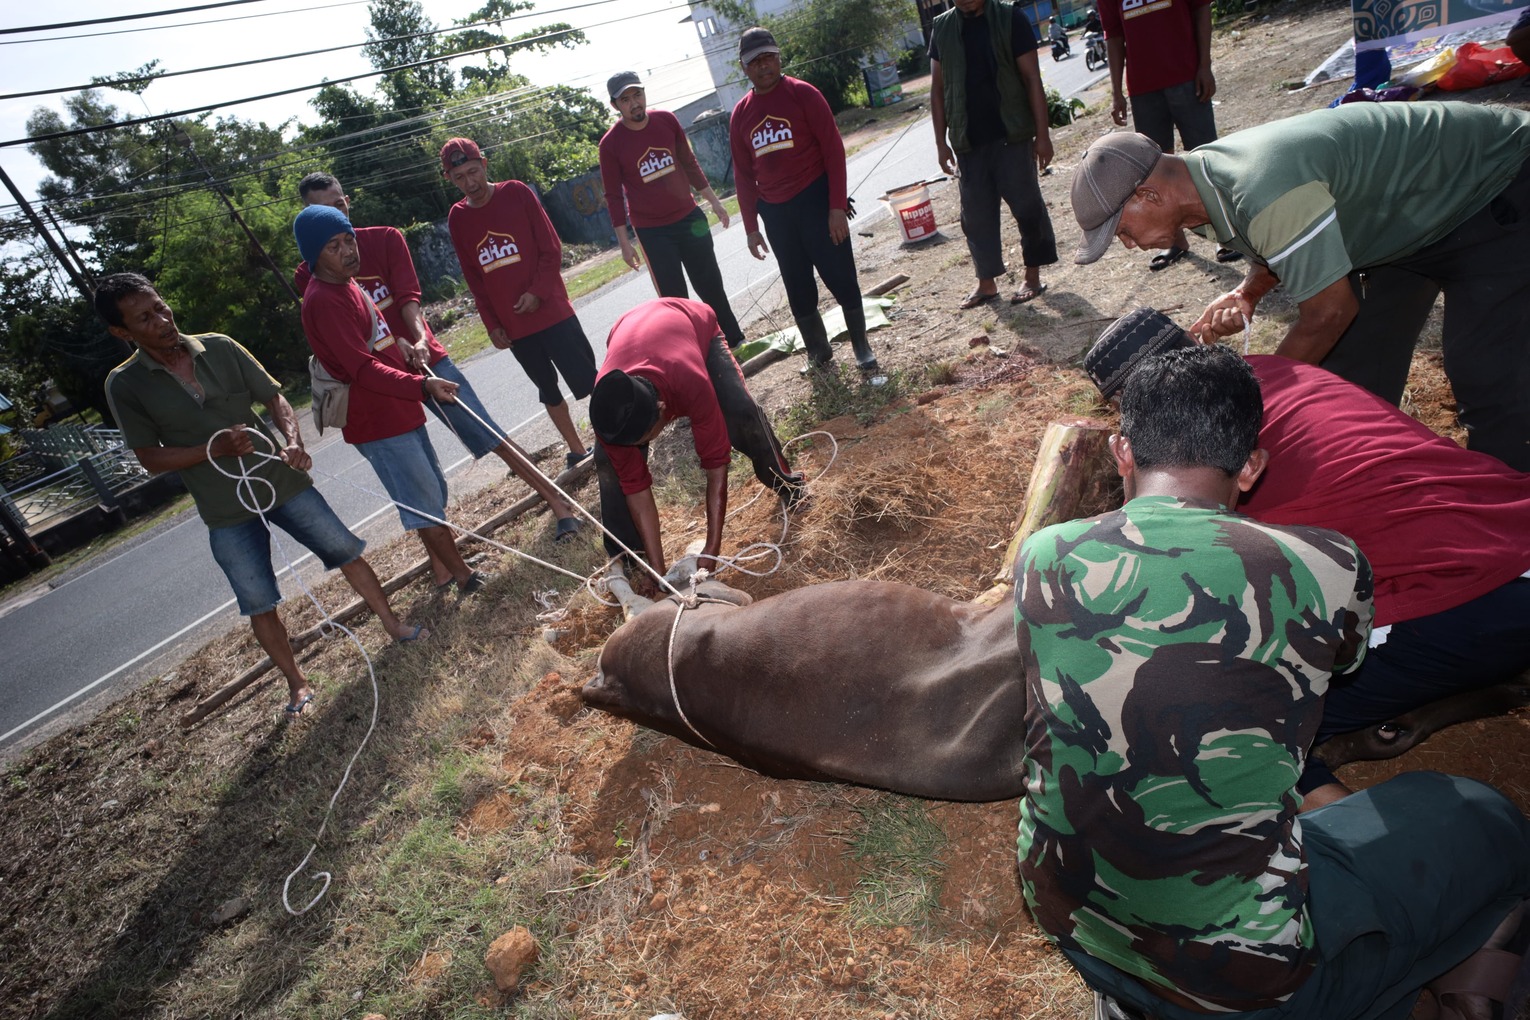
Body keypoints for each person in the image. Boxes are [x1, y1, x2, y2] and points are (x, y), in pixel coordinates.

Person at [1015, 342, 1530, 1020]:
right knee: (1476, 812)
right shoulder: (1326, 561)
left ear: (1121, 452)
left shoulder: (1043, 553)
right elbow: (1343, 664)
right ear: (1253, 466)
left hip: (1069, 915)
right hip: (1247, 980)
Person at [1083, 307, 1530, 806]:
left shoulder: (1206, 461)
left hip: (1473, 596)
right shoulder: (1274, 372)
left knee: (1228, 727)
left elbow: (1182, 581)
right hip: (1511, 521)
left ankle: (1356, 837)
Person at [1068, 104, 1530, 469]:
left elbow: (1330, 313)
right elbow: (1283, 242)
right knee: (1351, 382)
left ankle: (1511, 515)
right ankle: (1373, 478)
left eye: (1122, 231)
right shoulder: (1201, 192)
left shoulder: (1259, 187)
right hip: (1404, 223)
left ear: (1148, 195)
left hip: (1494, 185)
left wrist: (1247, 399)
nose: (1128, 245)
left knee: (1491, 381)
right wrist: (1248, 292)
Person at [99, 272, 425, 716]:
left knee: (345, 550)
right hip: (225, 508)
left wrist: (293, 440)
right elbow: (148, 457)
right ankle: (297, 684)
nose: (161, 320)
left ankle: (394, 625)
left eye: (160, 307)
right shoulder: (124, 384)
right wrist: (212, 449)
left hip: (280, 479)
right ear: (122, 332)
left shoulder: (219, 346)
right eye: (144, 318)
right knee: (258, 600)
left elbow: (276, 400)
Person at [293, 172, 582, 547]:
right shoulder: (311, 273)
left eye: (338, 205)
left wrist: (417, 338)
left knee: (487, 431)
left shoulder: (384, 238)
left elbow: (407, 297)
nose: (335, 216)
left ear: (347, 201)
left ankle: (559, 505)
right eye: (321, 211)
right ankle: (445, 557)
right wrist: (394, 346)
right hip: (379, 379)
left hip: (423, 357)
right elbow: (348, 331)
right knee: (417, 474)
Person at [294, 204, 489, 598]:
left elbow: (374, 341)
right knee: (422, 500)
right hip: (376, 419)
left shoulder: (349, 284)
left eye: (349, 239)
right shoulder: (323, 301)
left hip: (399, 406)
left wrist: (401, 346)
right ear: (315, 256)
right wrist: (422, 386)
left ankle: (446, 570)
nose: (348, 251)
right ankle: (464, 577)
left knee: (432, 490)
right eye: (334, 246)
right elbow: (361, 369)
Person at [588, 298, 802, 583]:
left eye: (643, 441)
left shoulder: (689, 380)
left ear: (663, 409)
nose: (637, 449)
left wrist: (711, 549)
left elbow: (715, 465)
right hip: (627, 332)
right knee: (609, 464)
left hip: (690, 324)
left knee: (741, 412)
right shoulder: (609, 410)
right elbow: (636, 489)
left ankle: (788, 485)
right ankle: (630, 558)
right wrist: (658, 571)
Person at [728, 27, 885, 383]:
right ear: (744, 68)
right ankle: (818, 351)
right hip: (776, 213)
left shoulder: (803, 94)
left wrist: (836, 206)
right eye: (755, 61)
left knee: (841, 276)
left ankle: (861, 346)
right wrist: (751, 227)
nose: (763, 66)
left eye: (768, 57)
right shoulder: (740, 115)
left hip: (816, 200)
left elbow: (833, 150)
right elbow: (743, 175)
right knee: (798, 286)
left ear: (779, 57)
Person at [441, 137, 597, 471]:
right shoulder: (458, 218)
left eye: (473, 172)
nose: (470, 182)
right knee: (547, 389)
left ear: (484, 164)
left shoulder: (516, 192)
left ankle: (614, 434)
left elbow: (550, 248)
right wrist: (492, 324)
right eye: (459, 178)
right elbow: (474, 278)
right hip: (515, 327)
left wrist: (537, 292)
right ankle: (577, 450)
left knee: (588, 378)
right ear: (450, 179)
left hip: (553, 312)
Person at [598, 72, 746, 349]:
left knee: (710, 284)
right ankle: (695, 354)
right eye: (626, 100)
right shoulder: (610, 144)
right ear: (615, 105)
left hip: (689, 219)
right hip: (652, 232)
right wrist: (625, 244)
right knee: (675, 301)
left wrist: (714, 202)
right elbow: (613, 196)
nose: (634, 103)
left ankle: (735, 341)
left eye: (637, 95)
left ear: (644, 93)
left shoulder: (666, 120)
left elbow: (689, 163)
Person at [929, 0, 1059, 309]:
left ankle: (1032, 276)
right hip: (968, 142)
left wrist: (1043, 136)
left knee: (1027, 208)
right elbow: (938, 89)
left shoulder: (1010, 17)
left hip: (1011, 135)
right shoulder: (942, 28)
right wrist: (940, 143)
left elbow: (1032, 78)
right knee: (975, 218)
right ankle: (986, 283)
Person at [1097, 0, 1242, 269]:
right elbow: (1114, 37)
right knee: (1155, 168)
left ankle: (1227, 232)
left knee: (1206, 158)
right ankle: (1175, 241)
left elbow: (1201, 10)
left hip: (1187, 76)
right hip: (1143, 88)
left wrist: (1204, 65)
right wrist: (1117, 92)